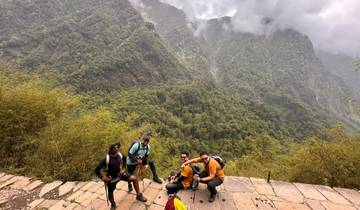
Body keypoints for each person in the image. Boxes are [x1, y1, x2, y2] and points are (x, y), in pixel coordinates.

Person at [95, 143, 147, 210]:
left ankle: (139, 195)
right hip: (111, 177)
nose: (117, 149)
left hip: (120, 174)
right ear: (111, 150)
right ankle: (113, 204)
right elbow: (96, 170)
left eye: (117, 148)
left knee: (134, 179)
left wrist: (123, 168)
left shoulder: (120, 155)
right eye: (114, 148)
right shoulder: (106, 159)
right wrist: (102, 177)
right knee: (110, 193)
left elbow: (125, 159)